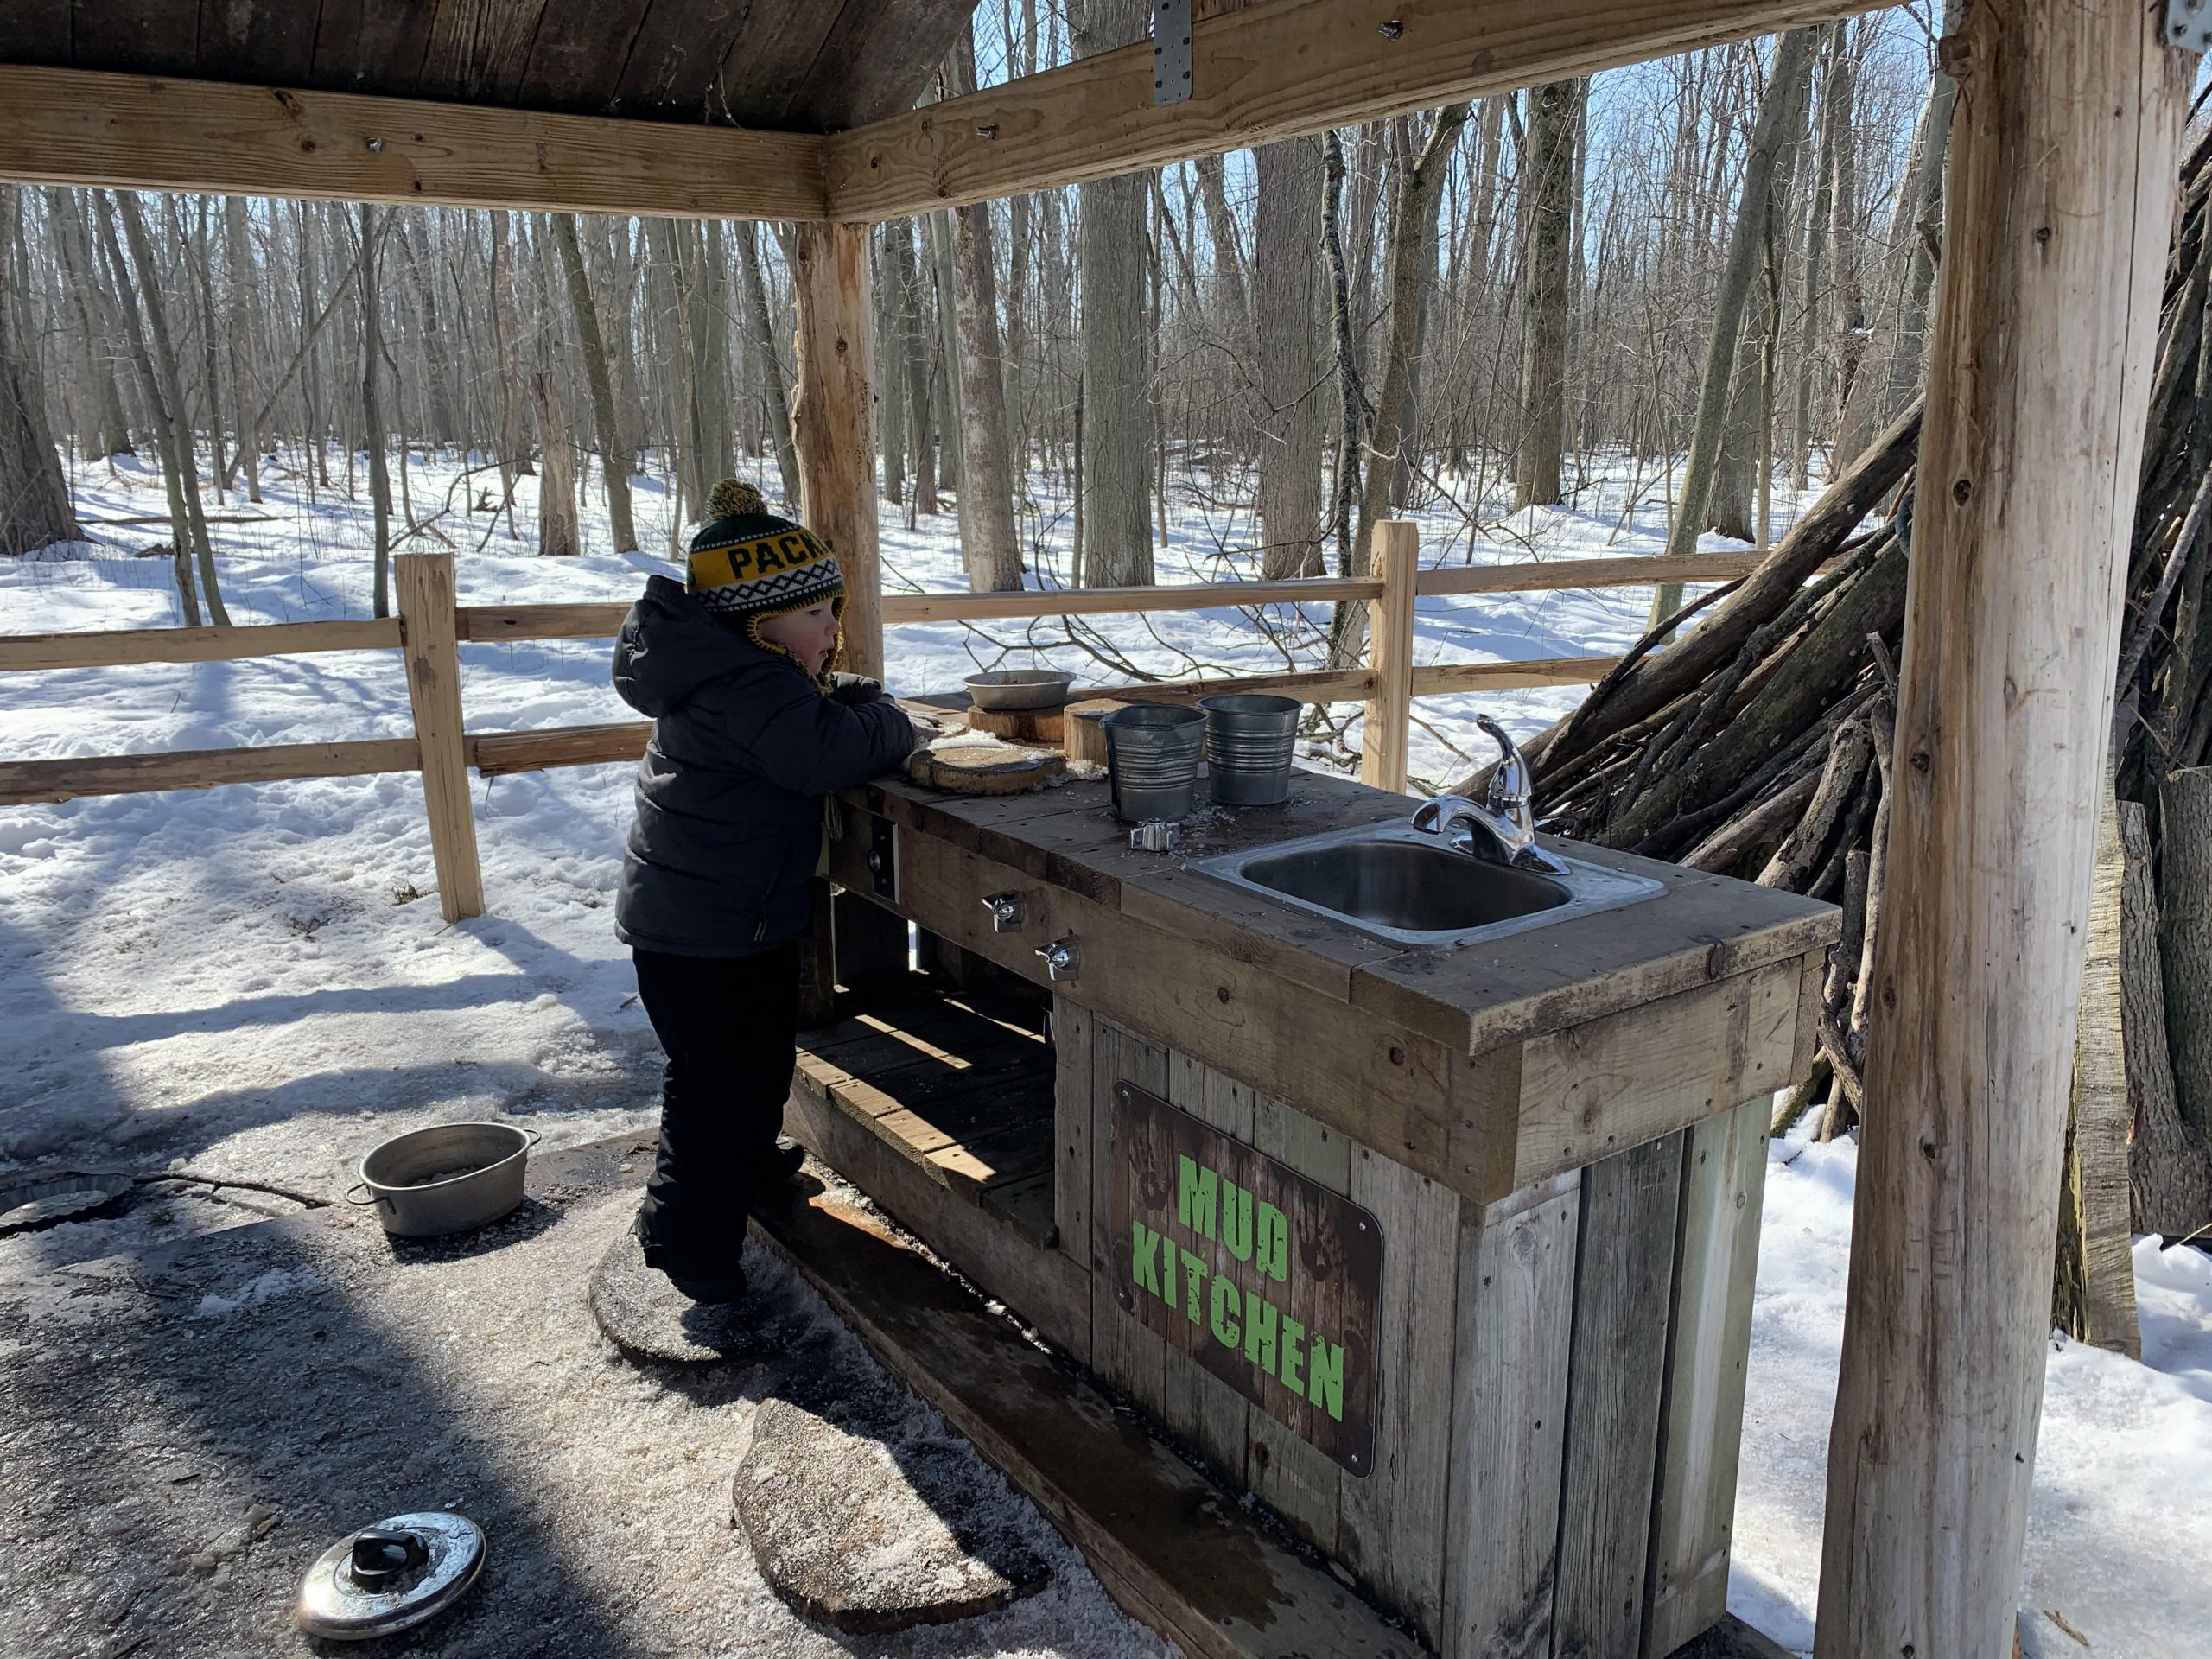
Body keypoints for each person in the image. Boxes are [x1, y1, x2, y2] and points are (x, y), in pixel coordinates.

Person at [611, 478, 914, 1303]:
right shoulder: (750, 688)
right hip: (709, 935)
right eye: (815, 615)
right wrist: (895, 722)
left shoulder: (734, 674)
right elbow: (825, 752)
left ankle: (745, 1168)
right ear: (757, 621)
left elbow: (805, 714)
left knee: (751, 1065)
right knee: (715, 1088)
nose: (833, 630)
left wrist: (846, 695)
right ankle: (685, 1241)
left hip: (709, 923)